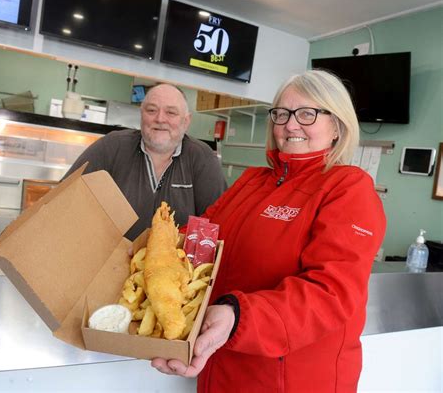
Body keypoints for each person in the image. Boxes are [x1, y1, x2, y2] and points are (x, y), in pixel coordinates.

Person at [151, 70, 387, 392]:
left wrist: (236, 315)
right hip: (220, 365)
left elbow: (330, 294)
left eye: (307, 113)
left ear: (337, 126)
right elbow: (200, 236)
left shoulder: (348, 188)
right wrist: (152, 253)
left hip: (290, 380)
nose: (290, 125)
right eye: (282, 114)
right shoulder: (253, 180)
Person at [64, 83, 227, 240]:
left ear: (186, 121)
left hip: (174, 265)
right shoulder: (112, 146)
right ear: (141, 114)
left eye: (171, 112)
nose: (160, 119)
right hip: (105, 260)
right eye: (151, 110)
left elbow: (216, 223)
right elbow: (66, 196)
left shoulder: (202, 158)